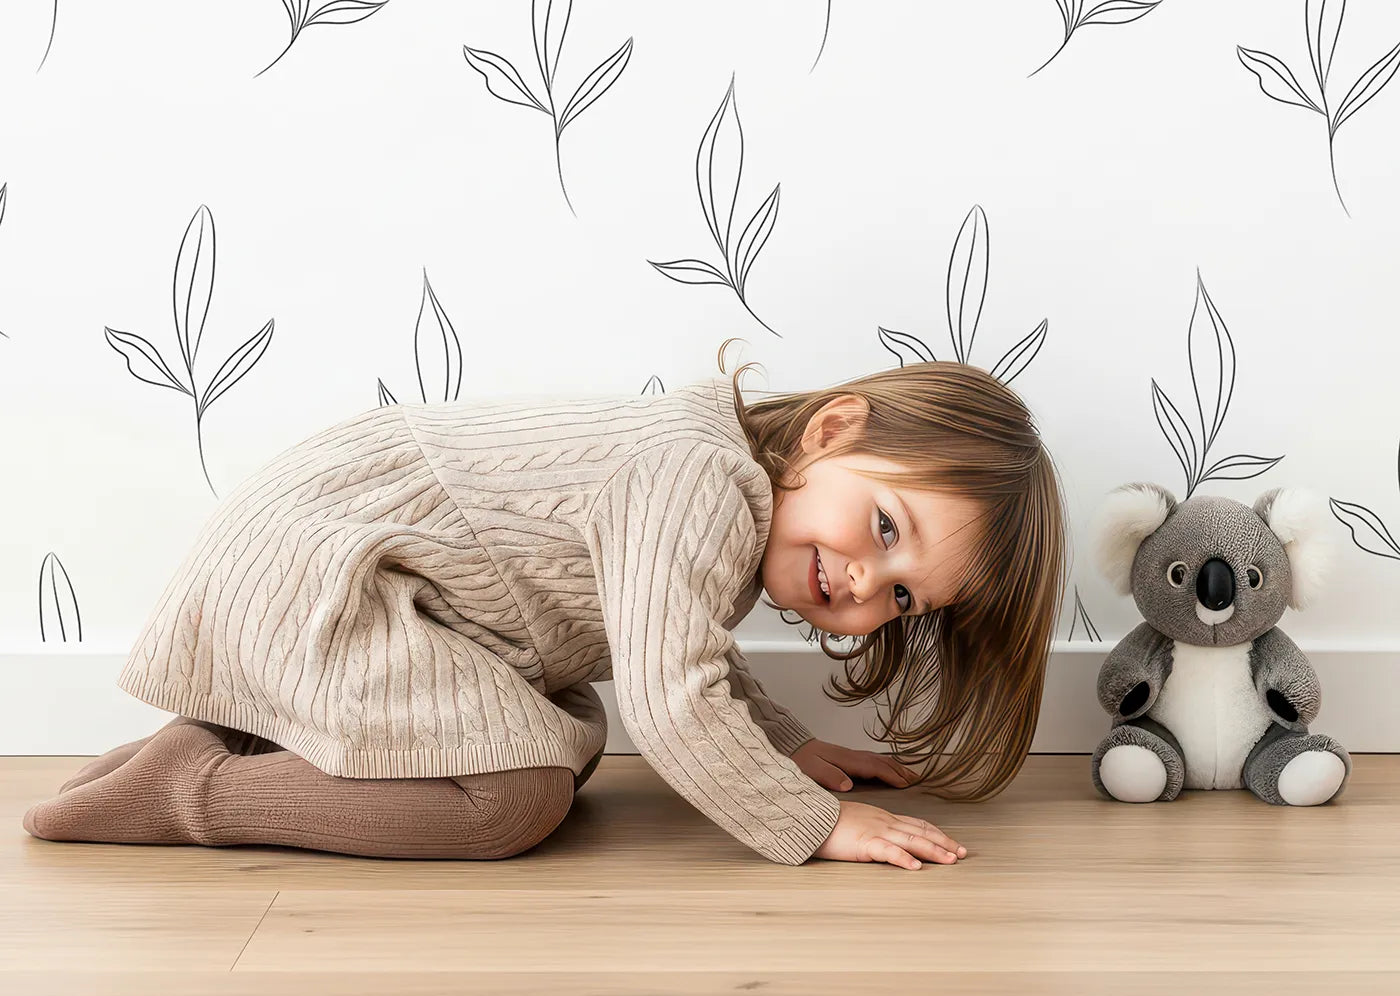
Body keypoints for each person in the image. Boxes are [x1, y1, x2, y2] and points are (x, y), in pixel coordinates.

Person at [23, 338, 1069, 869]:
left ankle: (237, 739)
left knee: (562, 731)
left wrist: (785, 743)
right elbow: (671, 696)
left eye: (902, 597)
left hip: (349, 582)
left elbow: (686, 646)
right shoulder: (698, 477)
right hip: (325, 573)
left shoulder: (725, 485)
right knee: (514, 797)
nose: (867, 584)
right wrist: (816, 822)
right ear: (831, 431)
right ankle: (193, 789)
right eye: (883, 527)